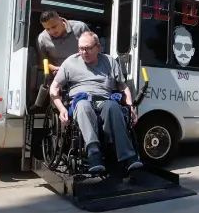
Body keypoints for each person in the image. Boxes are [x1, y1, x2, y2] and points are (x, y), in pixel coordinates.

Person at [49, 31, 143, 173]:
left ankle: (128, 156)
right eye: (81, 48)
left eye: (88, 48)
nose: (83, 52)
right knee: (83, 106)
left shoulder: (110, 62)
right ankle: (94, 153)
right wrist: (61, 108)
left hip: (105, 100)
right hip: (81, 100)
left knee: (113, 106)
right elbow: (54, 88)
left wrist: (131, 107)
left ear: (98, 47)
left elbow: (123, 87)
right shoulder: (70, 62)